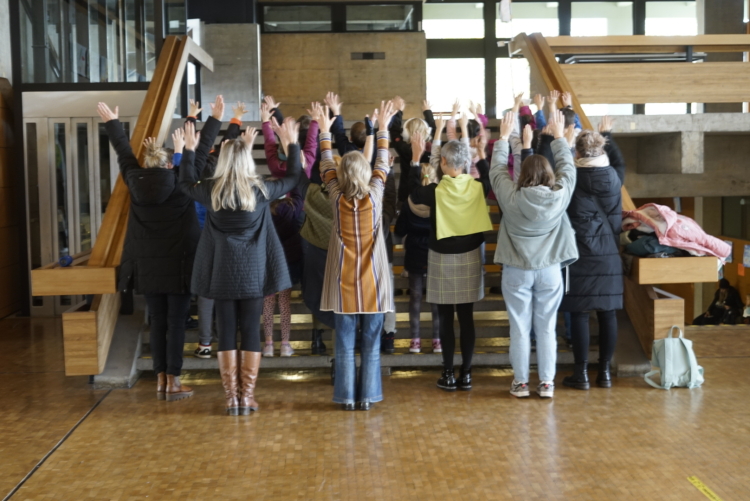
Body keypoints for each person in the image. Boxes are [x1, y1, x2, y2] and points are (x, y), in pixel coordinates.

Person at [179, 95, 302, 416]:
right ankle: (247, 396)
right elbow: (292, 179)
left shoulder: (211, 191)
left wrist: (189, 149)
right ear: (248, 161)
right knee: (250, 331)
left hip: (221, 273)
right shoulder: (259, 190)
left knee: (226, 333)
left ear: (221, 163)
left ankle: (230, 396)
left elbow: (185, 182)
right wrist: (292, 146)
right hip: (252, 275)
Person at [97, 101, 199, 402]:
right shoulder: (181, 185)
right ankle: (175, 382)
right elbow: (190, 166)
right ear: (170, 164)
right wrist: (185, 144)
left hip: (147, 269)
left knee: (157, 321)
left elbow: (124, 154)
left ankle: (160, 379)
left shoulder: (134, 180)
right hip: (179, 268)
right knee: (176, 323)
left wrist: (113, 123)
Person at [491, 110, 578, 399]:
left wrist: (503, 139)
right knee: (547, 328)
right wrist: (556, 138)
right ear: (549, 175)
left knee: (519, 327)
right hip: (551, 270)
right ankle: (546, 384)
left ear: (523, 175)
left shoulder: (511, 197)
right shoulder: (559, 195)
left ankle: (520, 383)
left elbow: (496, 172)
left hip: (517, 269)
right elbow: (569, 168)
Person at [315, 100, 396, 411]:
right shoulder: (375, 195)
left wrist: (324, 130)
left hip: (343, 282)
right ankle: (367, 397)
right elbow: (384, 162)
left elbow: (325, 163)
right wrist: (384, 127)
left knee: (345, 346)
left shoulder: (336, 197)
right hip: (374, 284)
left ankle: (346, 397)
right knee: (372, 345)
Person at [409, 108, 492, 392]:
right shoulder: (478, 186)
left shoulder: (435, 191)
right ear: (466, 163)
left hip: (441, 257)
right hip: (470, 255)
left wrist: (414, 158)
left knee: (444, 317)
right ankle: (466, 373)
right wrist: (481, 155)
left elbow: (412, 190)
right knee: (466, 317)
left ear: (443, 163)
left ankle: (447, 373)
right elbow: (490, 179)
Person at [560, 116, 625, 391]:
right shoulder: (613, 177)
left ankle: (581, 374)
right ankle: (605, 373)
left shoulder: (571, 179)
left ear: (577, 152)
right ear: (601, 150)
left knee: (580, 313)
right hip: (609, 253)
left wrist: (559, 143)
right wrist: (608, 135)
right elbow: (619, 162)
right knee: (608, 313)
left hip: (579, 253)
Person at [180, 99, 246, 359]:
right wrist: (234, 119)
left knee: (206, 293)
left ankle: (206, 343)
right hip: (223, 237)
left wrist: (192, 118)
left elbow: (198, 144)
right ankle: (225, 339)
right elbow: (227, 143)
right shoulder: (223, 170)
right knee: (226, 291)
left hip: (200, 237)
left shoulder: (196, 170)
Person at [393, 138, 441, 354]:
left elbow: (400, 230)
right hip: (436, 252)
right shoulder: (442, 199)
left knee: (416, 298)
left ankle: (415, 341)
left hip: (413, 253)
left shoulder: (411, 200)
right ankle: (438, 340)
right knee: (436, 300)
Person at [262, 188, 304, 357]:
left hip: (269, 260)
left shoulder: (264, 210)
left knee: (268, 302)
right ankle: (285, 344)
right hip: (288, 261)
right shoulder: (292, 208)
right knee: (285, 302)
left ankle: (268, 344)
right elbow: (299, 197)